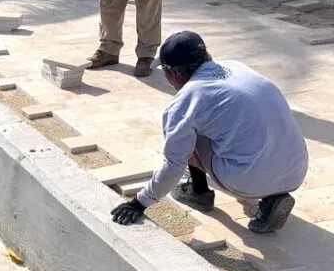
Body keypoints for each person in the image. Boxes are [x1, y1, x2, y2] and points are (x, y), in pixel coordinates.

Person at [110, 31, 308, 233]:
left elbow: (173, 166)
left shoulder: (187, 101)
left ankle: (199, 192)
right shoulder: (236, 66)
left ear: (173, 73)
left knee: (187, 135)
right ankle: (272, 196)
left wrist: (139, 203)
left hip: (250, 179)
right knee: (238, 130)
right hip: (296, 168)